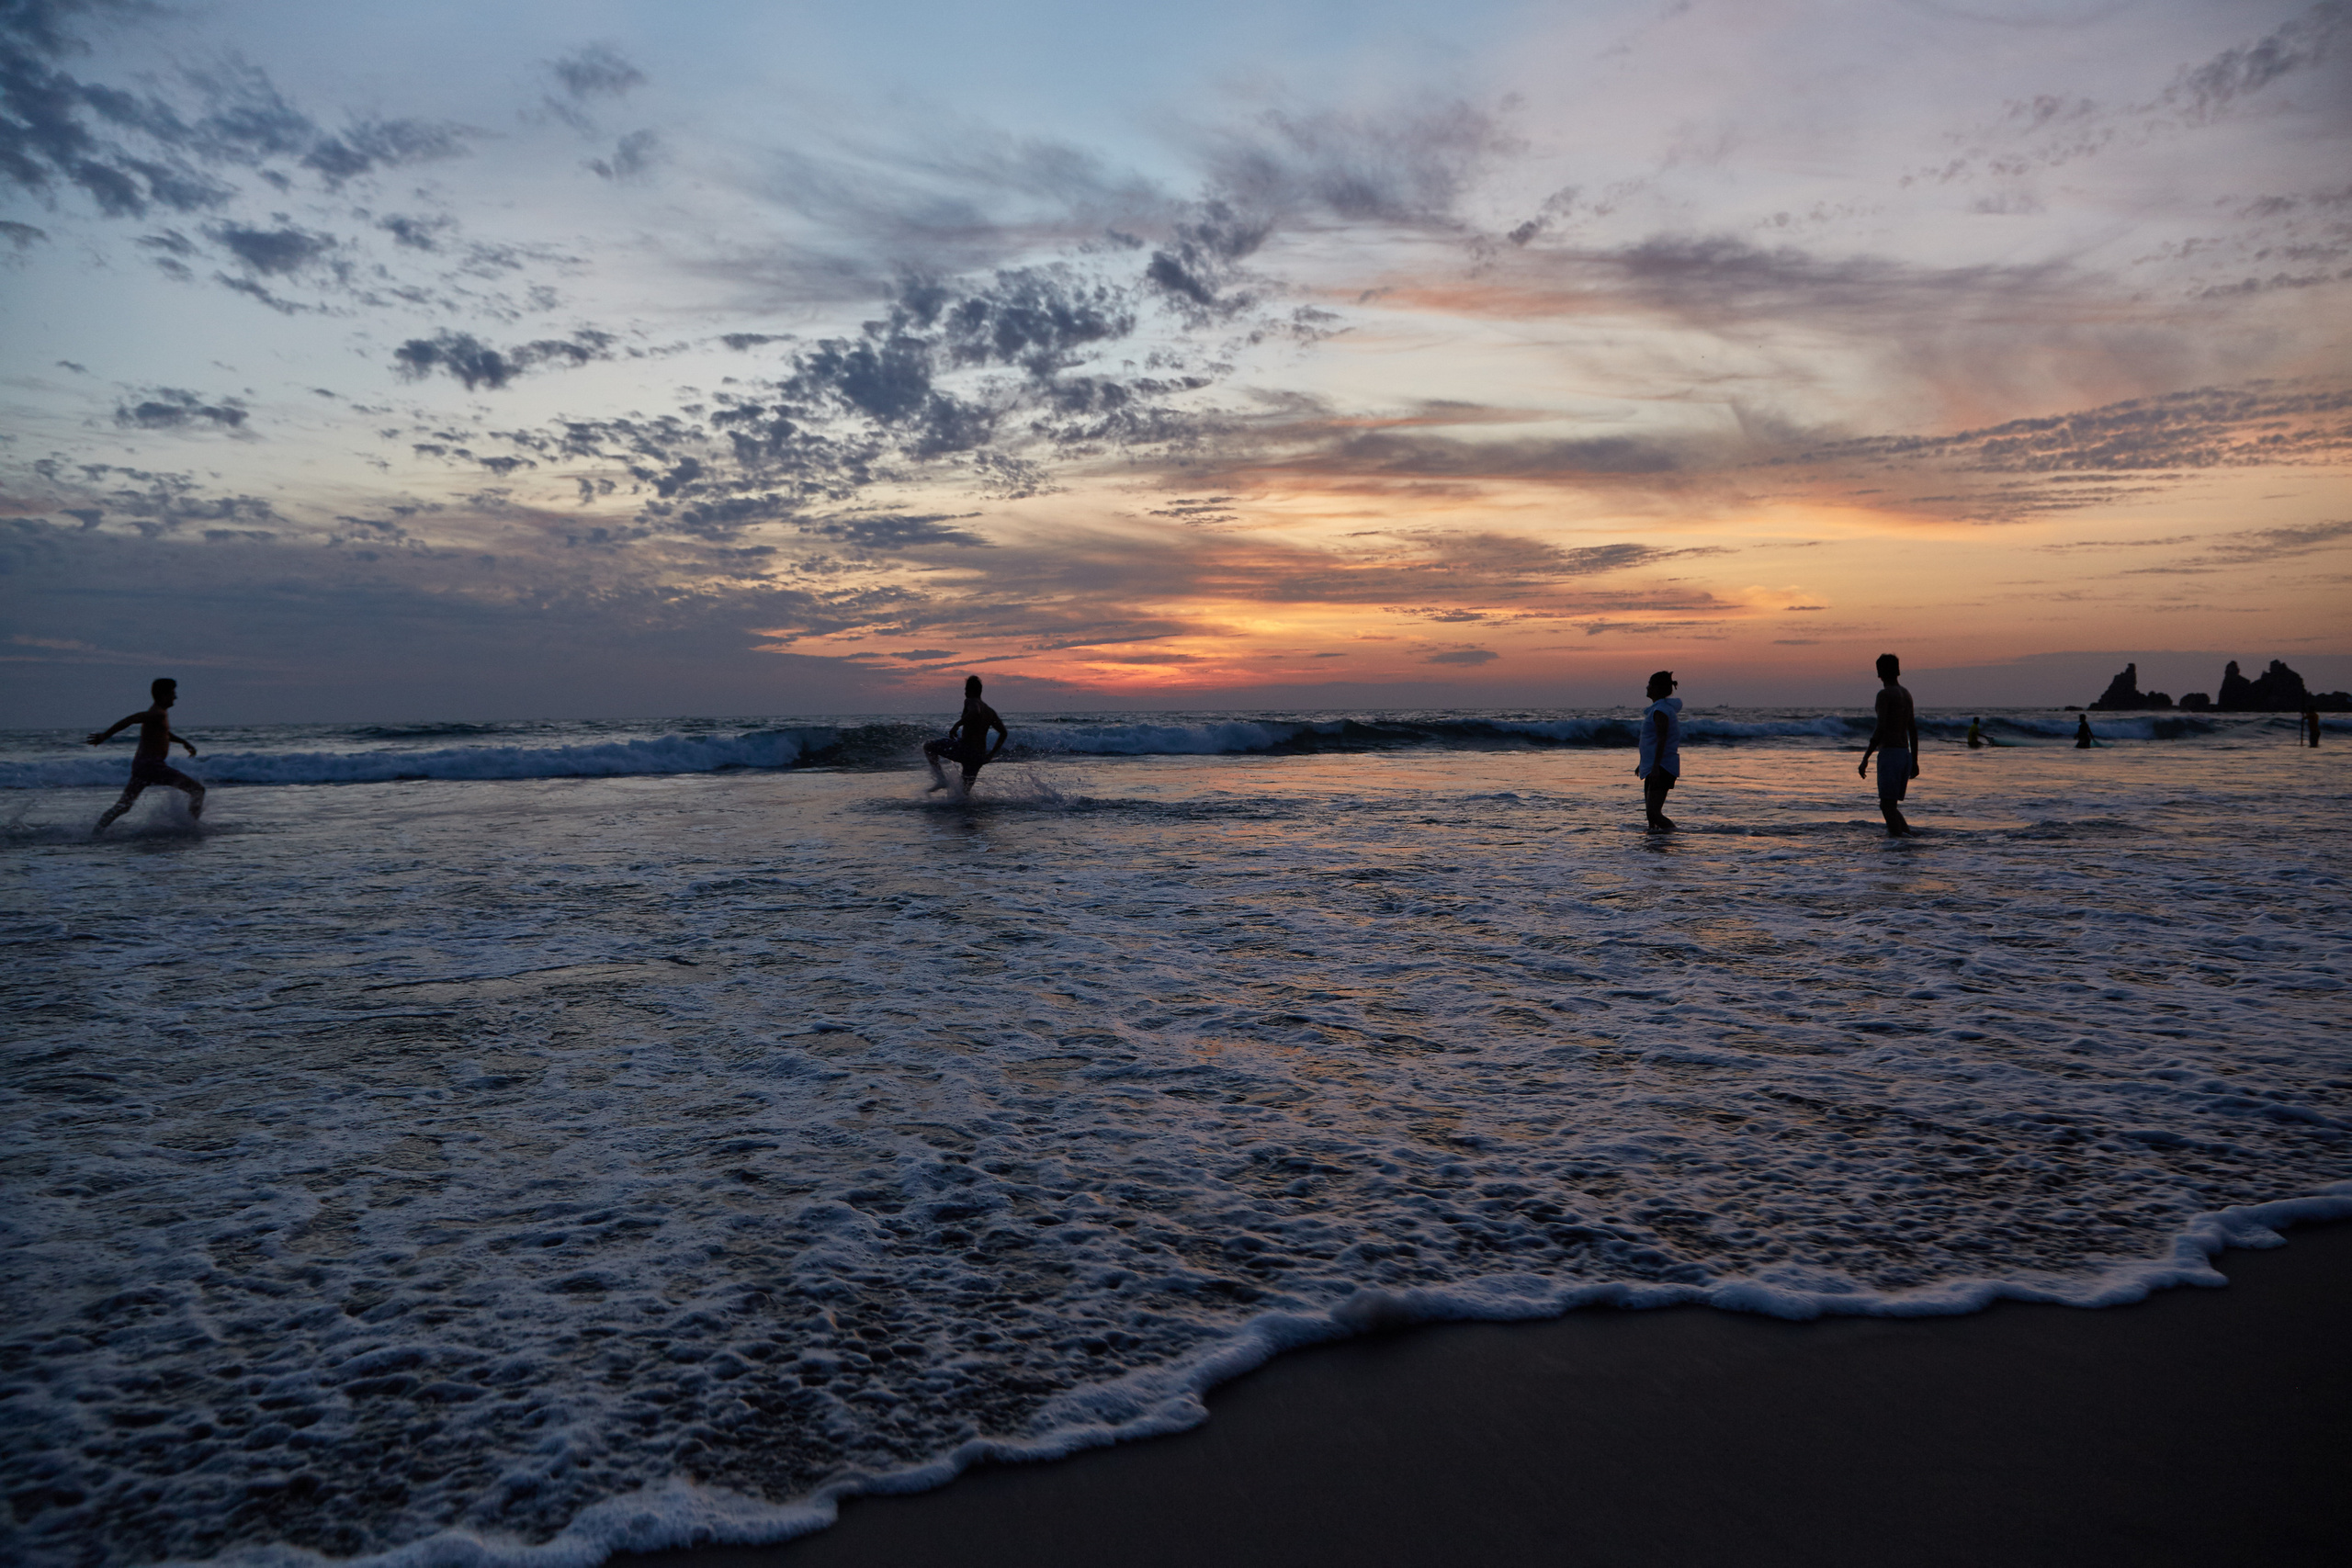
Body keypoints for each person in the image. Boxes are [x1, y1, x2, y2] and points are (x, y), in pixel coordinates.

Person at [88, 677, 204, 834]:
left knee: (124, 806)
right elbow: (131, 719)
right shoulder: (156, 713)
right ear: (163, 695)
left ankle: (96, 831)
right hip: (152, 766)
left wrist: (182, 742)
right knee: (198, 790)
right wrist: (105, 735)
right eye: (172, 693)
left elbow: (163, 733)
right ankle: (191, 828)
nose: (175, 697)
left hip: (142, 766)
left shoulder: (159, 714)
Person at [1857, 653, 1918, 836]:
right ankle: (1907, 840)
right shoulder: (1906, 694)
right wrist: (1914, 760)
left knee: (1886, 805)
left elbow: (1881, 727)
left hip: (1890, 754)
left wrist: (1865, 757)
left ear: (1880, 673)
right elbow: (1913, 730)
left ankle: (1898, 844)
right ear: (1898, 671)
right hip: (1904, 754)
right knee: (1890, 805)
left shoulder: (1884, 695)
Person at [924, 674, 1008, 795]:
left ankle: (941, 780)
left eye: (965, 690)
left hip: (965, 749)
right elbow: (1003, 733)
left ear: (970, 690)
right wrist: (990, 755)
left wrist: (957, 725)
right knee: (963, 796)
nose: (964, 693)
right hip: (979, 756)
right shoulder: (990, 711)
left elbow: (975, 711)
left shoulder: (970, 700)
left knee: (928, 746)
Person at [1635, 670, 1681, 833]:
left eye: (1650, 684)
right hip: (1655, 766)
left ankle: (1676, 835)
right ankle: (1654, 850)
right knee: (1651, 817)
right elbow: (1652, 741)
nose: (1647, 687)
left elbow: (1663, 739)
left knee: (1653, 813)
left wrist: (1655, 767)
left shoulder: (1660, 711)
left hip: (1662, 767)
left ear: (1656, 688)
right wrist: (1644, 764)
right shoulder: (1659, 709)